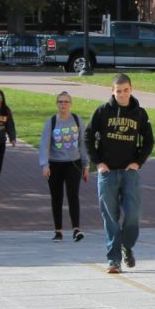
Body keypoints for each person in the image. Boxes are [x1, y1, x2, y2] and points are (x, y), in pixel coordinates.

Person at [84, 73, 154, 274]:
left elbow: (148, 141)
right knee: (110, 217)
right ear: (112, 91)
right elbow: (87, 137)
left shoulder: (139, 113)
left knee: (133, 214)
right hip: (108, 173)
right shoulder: (102, 111)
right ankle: (113, 259)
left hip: (129, 173)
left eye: (126, 90)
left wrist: (138, 163)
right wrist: (98, 163)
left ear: (131, 90)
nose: (122, 95)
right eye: (118, 91)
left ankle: (127, 245)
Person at [39, 91, 90, 242]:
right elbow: (44, 145)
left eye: (66, 102)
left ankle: (76, 229)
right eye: (60, 102)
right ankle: (58, 231)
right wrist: (45, 165)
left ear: (70, 104)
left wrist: (86, 165)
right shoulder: (52, 121)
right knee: (57, 197)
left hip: (73, 163)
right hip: (55, 164)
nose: (63, 104)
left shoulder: (76, 120)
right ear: (57, 104)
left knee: (73, 195)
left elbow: (82, 143)